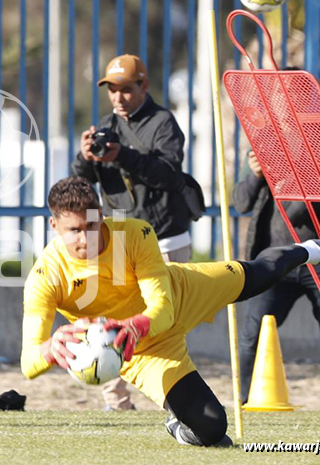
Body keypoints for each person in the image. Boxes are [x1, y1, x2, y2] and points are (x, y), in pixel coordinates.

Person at [21, 177, 320, 447]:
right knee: (213, 429)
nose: (86, 238)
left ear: (102, 217)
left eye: (92, 226)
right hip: (144, 352)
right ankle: (179, 425)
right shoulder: (45, 277)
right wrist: (49, 351)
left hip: (181, 293)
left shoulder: (135, 233)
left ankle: (315, 249)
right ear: (54, 226)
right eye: (74, 231)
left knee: (262, 275)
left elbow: (162, 309)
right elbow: (28, 363)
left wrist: (134, 326)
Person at [71, 54, 193, 410]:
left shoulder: (163, 123)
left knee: (165, 324)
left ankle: (172, 396)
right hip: (120, 242)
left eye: (126, 89)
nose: (118, 97)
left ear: (144, 86)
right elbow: (81, 181)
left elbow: (170, 176)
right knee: (107, 321)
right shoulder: (106, 125)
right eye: (112, 90)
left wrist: (123, 155)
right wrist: (85, 157)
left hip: (165, 238)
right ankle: (117, 400)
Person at [234, 139, 320, 408]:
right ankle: (244, 400)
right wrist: (256, 175)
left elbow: (302, 208)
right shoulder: (272, 149)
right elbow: (241, 202)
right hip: (278, 259)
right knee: (252, 334)